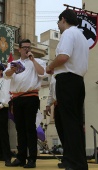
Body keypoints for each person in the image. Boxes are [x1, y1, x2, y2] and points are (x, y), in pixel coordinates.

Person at [46, 9, 89, 170]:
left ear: (63, 19)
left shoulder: (68, 34)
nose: (58, 26)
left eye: (58, 22)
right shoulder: (82, 37)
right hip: (78, 81)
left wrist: (50, 66)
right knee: (75, 123)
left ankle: (74, 162)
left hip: (67, 81)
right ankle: (76, 160)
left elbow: (63, 56)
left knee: (69, 123)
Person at [4, 39, 45, 168]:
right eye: (24, 47)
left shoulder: (37, 61)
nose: (27, 49)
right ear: (19, 49)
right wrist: (12, 69)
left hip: (31, 97)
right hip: (17, 99)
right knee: (19, 128)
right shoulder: (13, 63)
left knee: (30, 128)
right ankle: (21, 157)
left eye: (29, 47)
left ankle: (32, 158)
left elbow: (42, 73)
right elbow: (6, 76)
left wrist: (32, 59)